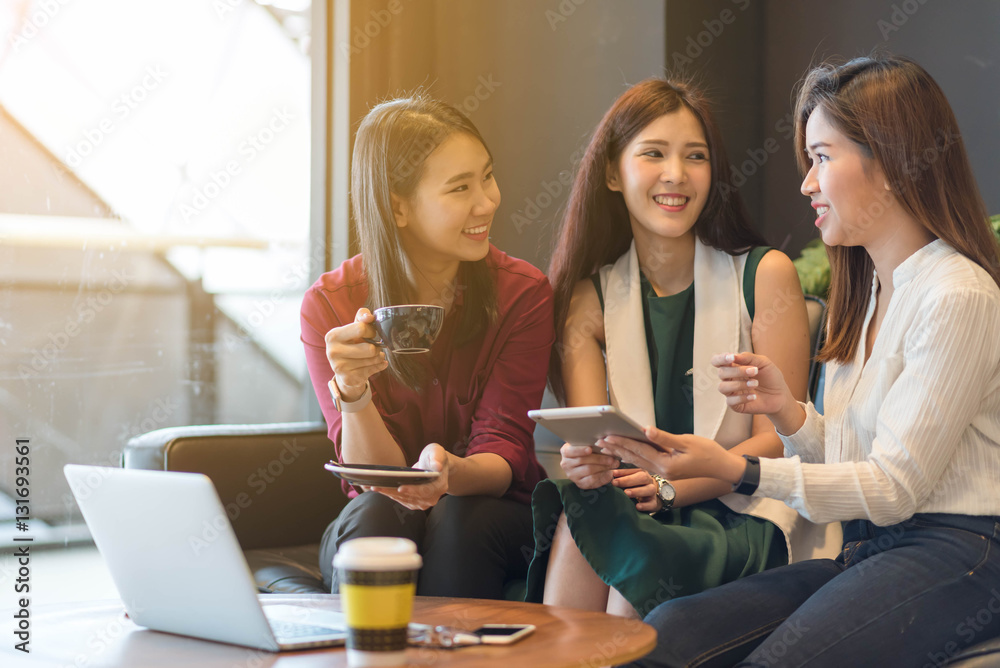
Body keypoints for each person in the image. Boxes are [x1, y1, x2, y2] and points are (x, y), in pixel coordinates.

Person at [603, 56, 1000, 667]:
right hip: (873, 548)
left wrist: (740, 470)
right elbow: (855, 462)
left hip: (963, 552)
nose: (806, 185)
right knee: (666, 634)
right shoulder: (869, 292)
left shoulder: (958, 295)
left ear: (891, 162)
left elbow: (894, 488)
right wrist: (788, 414)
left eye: (821, 158)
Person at [524, 78, 839, 618]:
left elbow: (784, 443)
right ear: (610, 173)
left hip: (744, 508)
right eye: (653, 154)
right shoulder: (586, 300)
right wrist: (585, 463)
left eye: (695, 156)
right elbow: (599, 444)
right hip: (638, 503)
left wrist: (672, 486)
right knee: (586, 525)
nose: (676, 174)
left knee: (631, 553)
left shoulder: (764, 274)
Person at [300, 95, 553, 599]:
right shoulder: (331, 306)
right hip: (377, 511)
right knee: (377, 512)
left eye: (487, 177)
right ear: (398, 206)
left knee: (460, 517)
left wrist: (450, 475)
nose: (488, 201)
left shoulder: (522, 294)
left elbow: (504, 451)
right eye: (460, 188)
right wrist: (353, 390)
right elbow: (372, 478)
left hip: (490, 513)